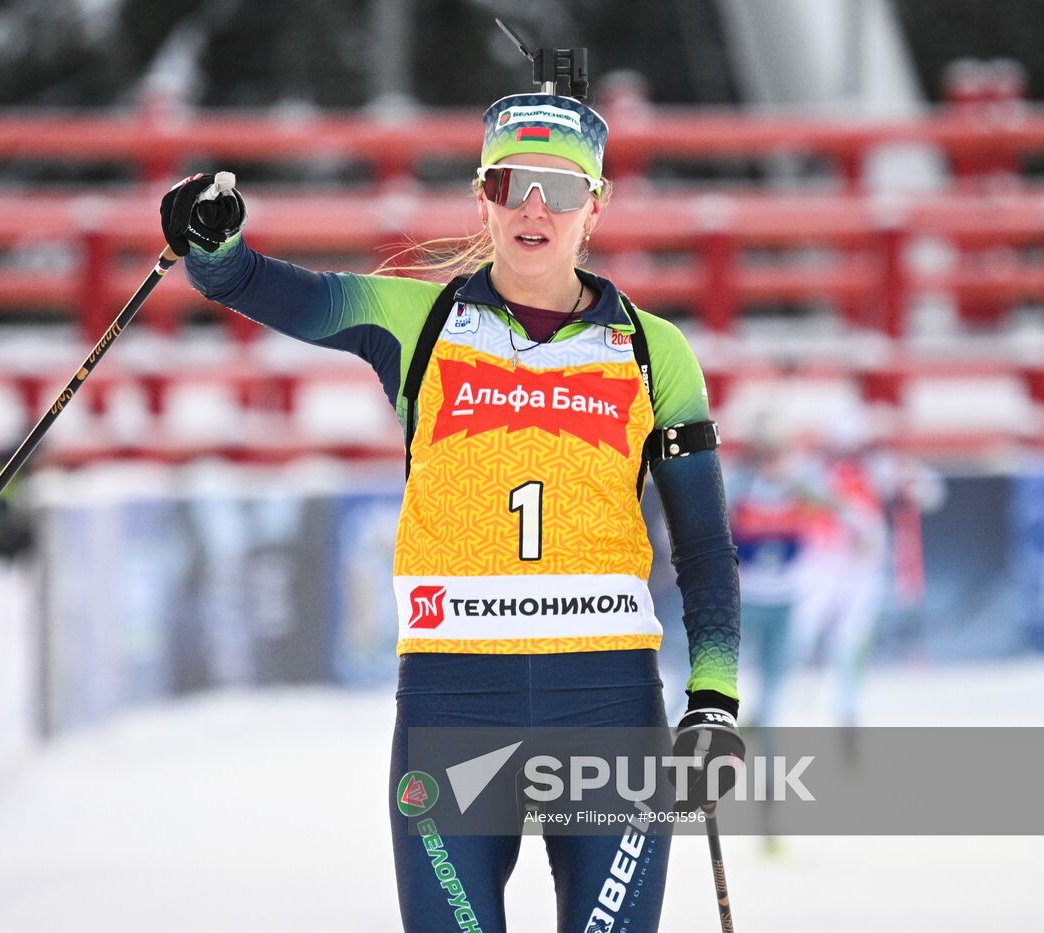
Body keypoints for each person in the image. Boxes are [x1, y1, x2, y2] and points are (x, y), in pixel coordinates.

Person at [160, 90, 742, 933]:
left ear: (597, 207)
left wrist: (715, 697)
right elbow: (257, 285)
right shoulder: (422, 321)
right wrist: (210, 243)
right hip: (454, 700)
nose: (535, 208)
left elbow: (704, 545)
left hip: (608, 703)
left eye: (563, 189)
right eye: (513, 184)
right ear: (483, 196)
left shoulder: (656, 350)